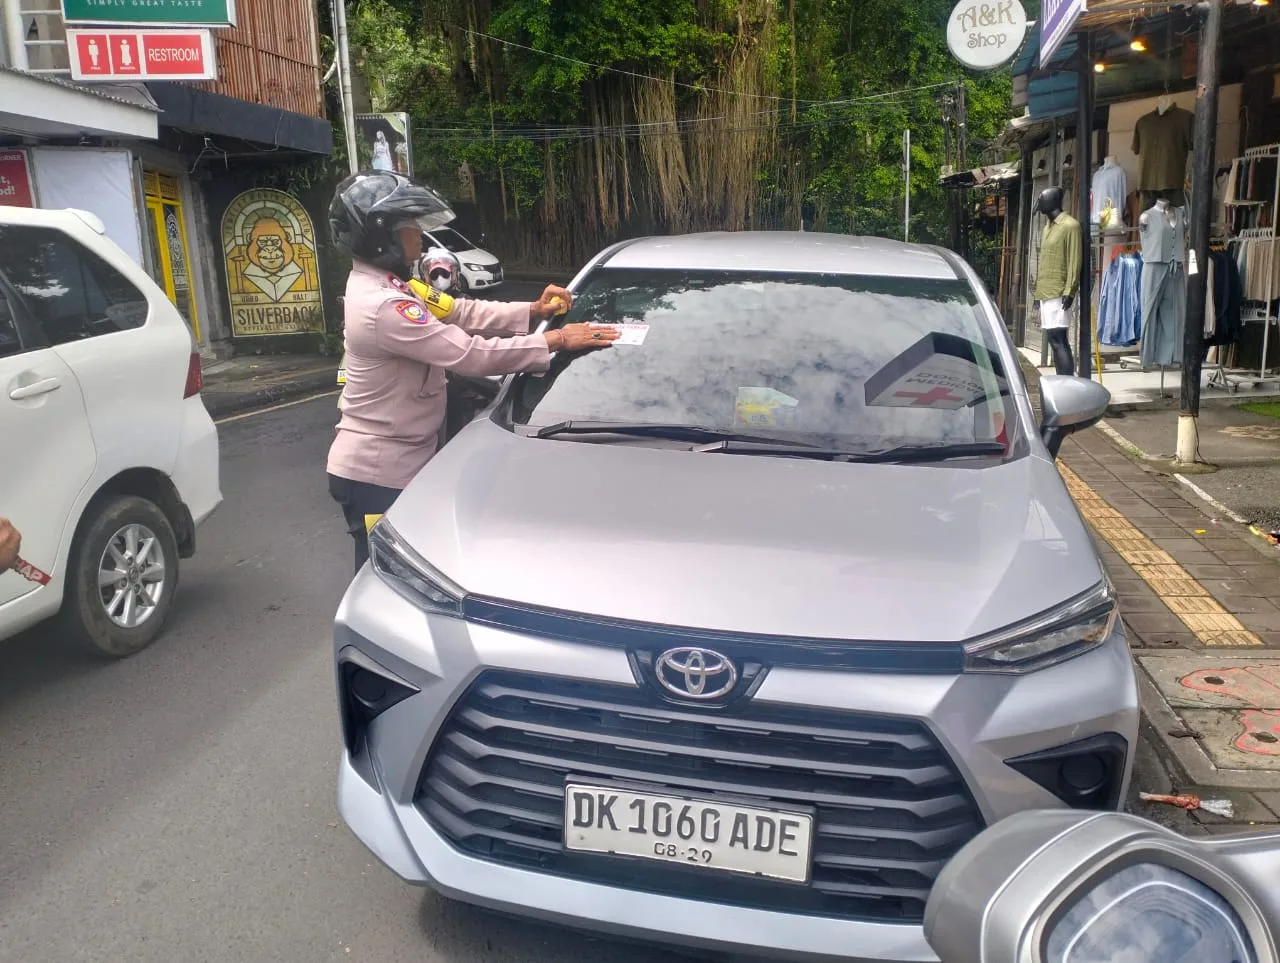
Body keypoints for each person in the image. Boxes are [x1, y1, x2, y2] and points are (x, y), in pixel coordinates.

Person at [326, 171, 619, 572]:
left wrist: (533, 311)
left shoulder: (397, 286)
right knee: (383, 580)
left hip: (400, 463)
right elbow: (468, 355)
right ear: (379, 235)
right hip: (378, 474)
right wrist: (555, 341)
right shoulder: (384, 306)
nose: (418, 236)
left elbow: (460, 311)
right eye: (409, 227)